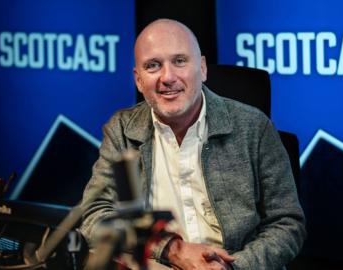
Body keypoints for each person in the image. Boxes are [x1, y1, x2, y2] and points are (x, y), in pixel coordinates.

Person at [80, 18, 306, 270]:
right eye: (153, 66)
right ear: (138, 79)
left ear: (202, 68)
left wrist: (232, 268)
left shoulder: (254, 127)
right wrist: (171, 249)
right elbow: (93, 215)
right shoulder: (122, 130)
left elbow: (287, 224)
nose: (167, 77)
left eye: (179, 61)